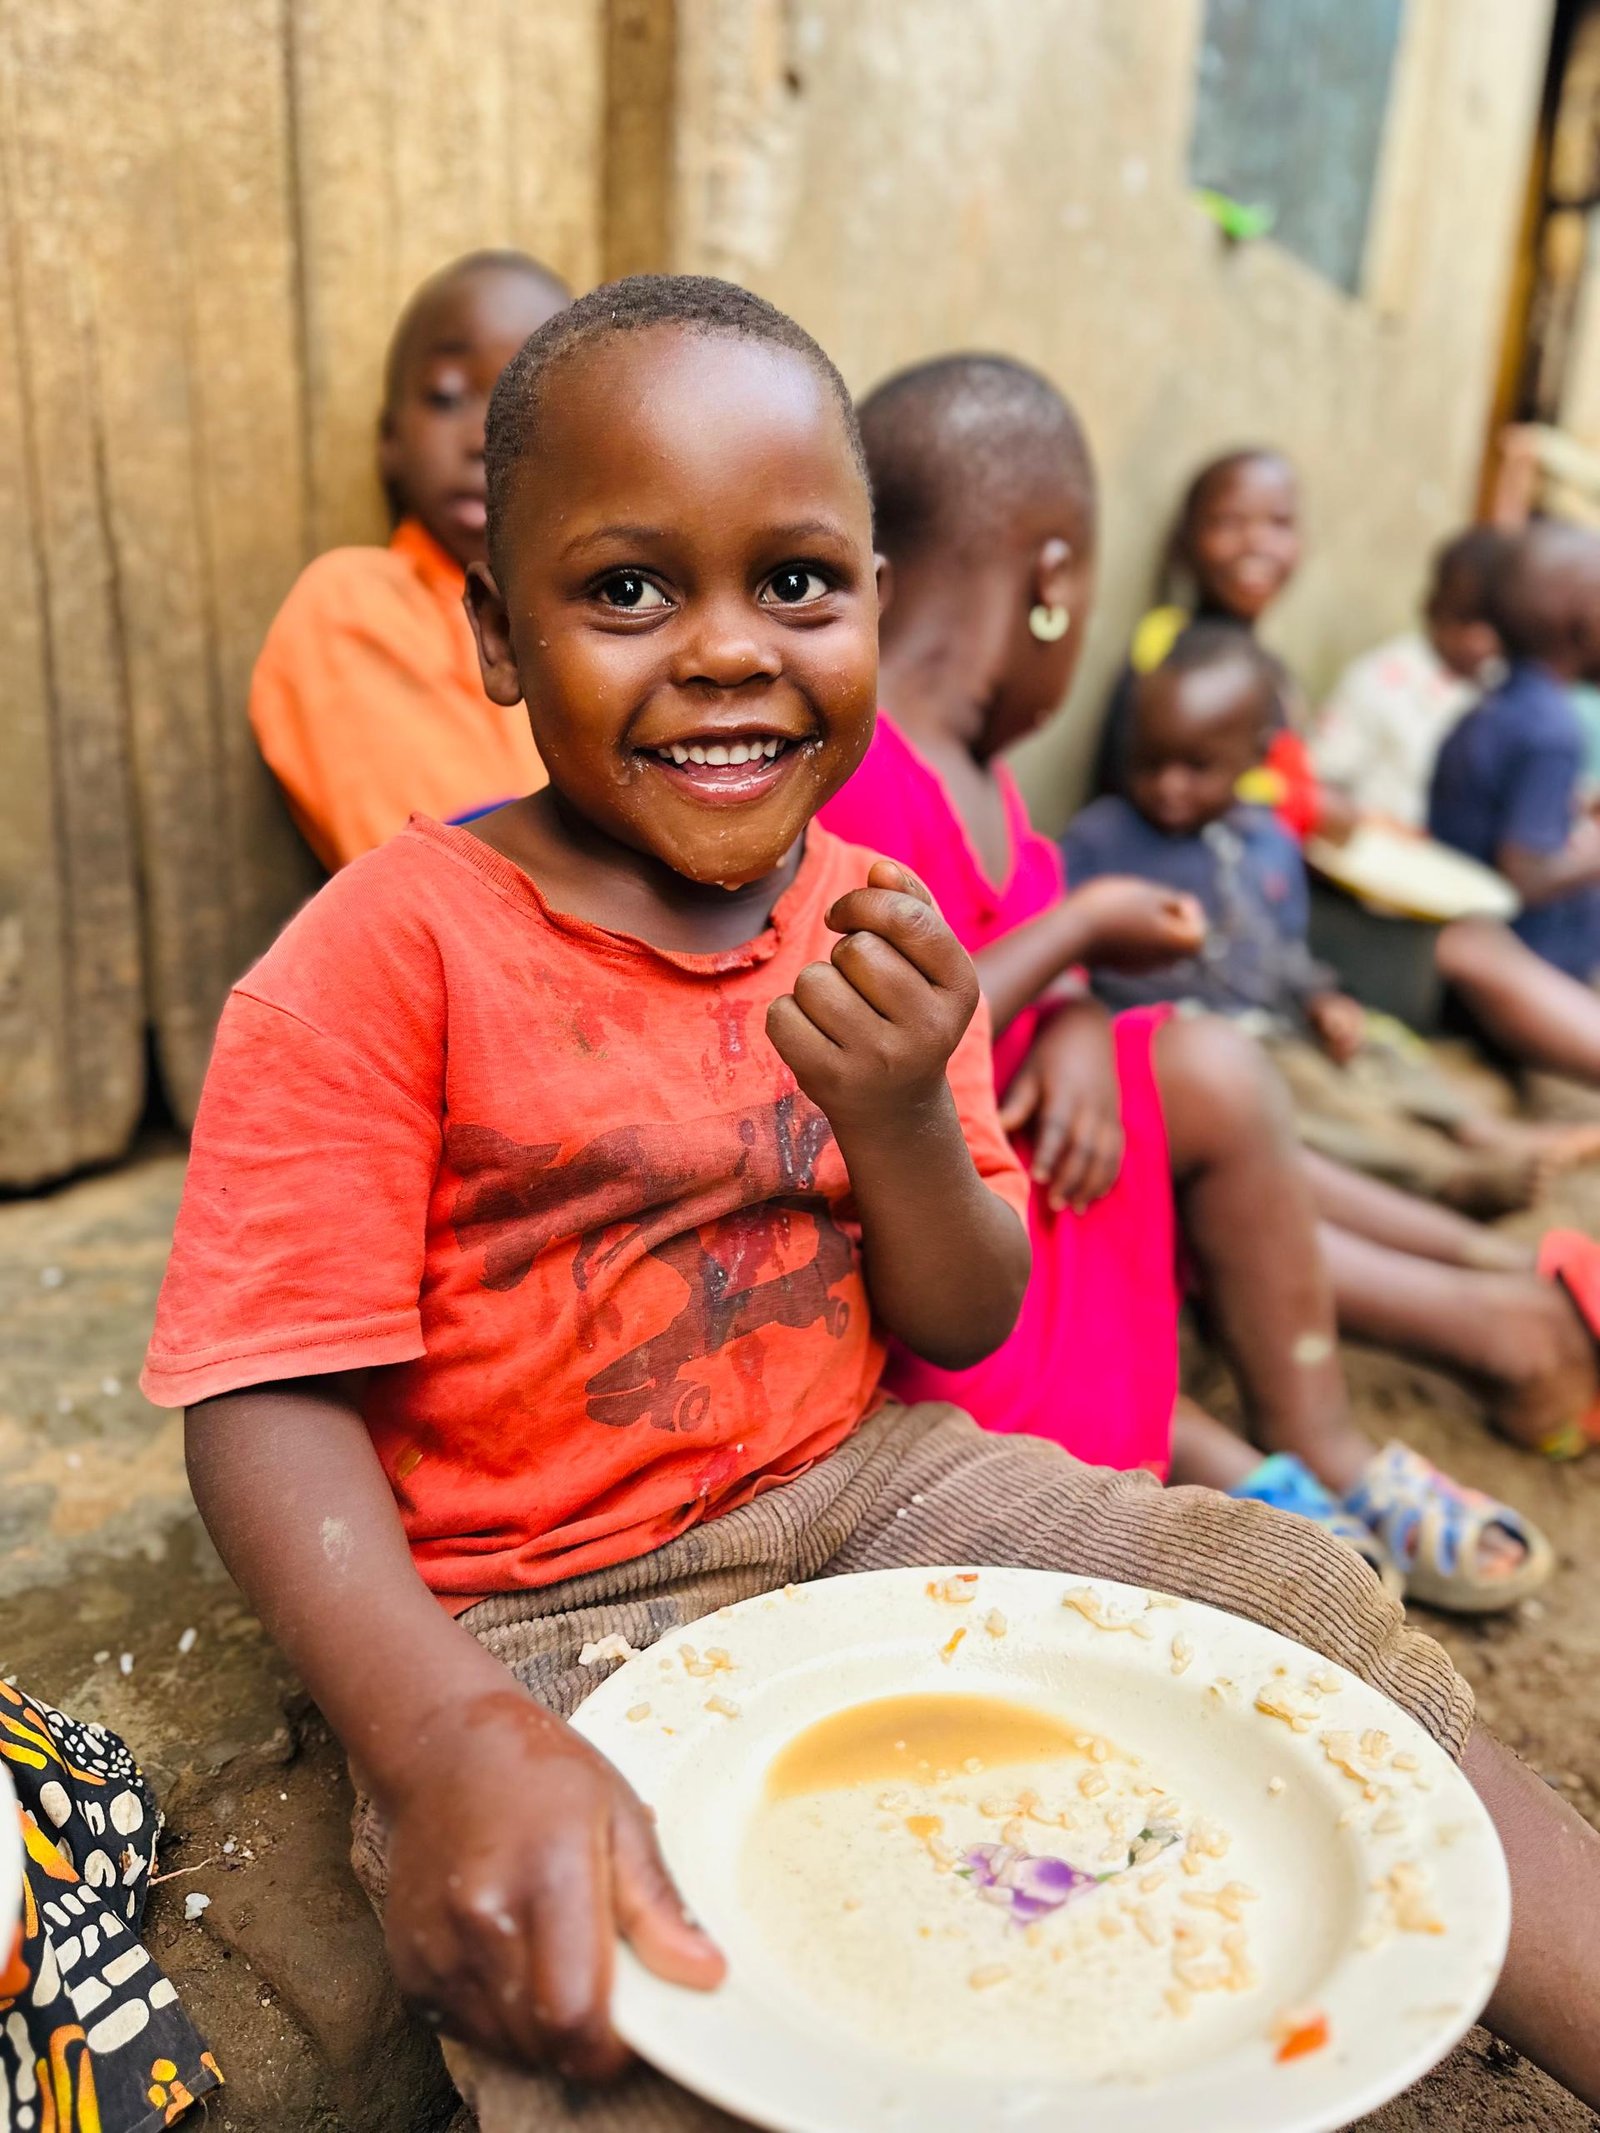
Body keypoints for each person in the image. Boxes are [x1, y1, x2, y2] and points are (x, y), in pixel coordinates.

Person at [142, 280, 1600, 2126]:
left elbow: (967, 1312)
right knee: (616, 1990)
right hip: (528, 1614)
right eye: (629, 591)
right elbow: (264, 1398)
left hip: (875, 1494)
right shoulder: (379, 959)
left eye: (800, 584)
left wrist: (904, 1111)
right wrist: (442, 1743)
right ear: (499, 638)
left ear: (878, 604)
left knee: (1284, 1605)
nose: (731, 651)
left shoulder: (877, 912)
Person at [823, 354, 1596, 1598]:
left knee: (1203, 1069)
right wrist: (1082, 931)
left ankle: (1318, 1447)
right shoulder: (864, 771)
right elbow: (888, 1027)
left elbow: (1016, 997)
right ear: (1053, 582)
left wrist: (1075, 1017)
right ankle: (1257, 1486)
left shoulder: (996, 782)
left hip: (1033, 1184)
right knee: (1202, 1075)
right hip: (945, 1274)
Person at [1067, 623, 1600, 1215]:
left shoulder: (1266, 838)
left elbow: (1284, 947)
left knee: (1379, 1053)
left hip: (1282, 1020)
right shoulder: (1102, 840)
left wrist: (1322, 999)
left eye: (1198, 767)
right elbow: (1072, 956)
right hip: (1200, 1045)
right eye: (1149, 762)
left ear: (1256, 755)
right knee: (1317, 1109)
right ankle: (1447, 1174)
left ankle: (1476, 1129)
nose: (1169, 786)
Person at [249, 250, 569, 870]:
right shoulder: (354, 606)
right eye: (448, 397)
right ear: (389, 440)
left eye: (530, 405)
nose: (484, 437)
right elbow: (462, 880)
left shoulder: (627, 615)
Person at [1092, 447, 1346, 842]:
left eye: (1279, 523)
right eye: (1229, 522)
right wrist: (1304, 805)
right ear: (1186, 540)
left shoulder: (1271, 668)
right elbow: (1150, 778)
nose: (1257, 542)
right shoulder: (1165, 644)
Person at [1430, 522, 1600, 983]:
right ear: (1579, 618)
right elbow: (1525, 874)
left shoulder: (1501, 702)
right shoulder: (1553, 730)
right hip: (1516, 964)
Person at [1311, 527, 1511, 829]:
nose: (1477, 641)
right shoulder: (1379, 678)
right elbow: (1320, 779)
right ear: (1431, 606)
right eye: (1464, 619)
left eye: (1492, 625)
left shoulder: (1504, 694)